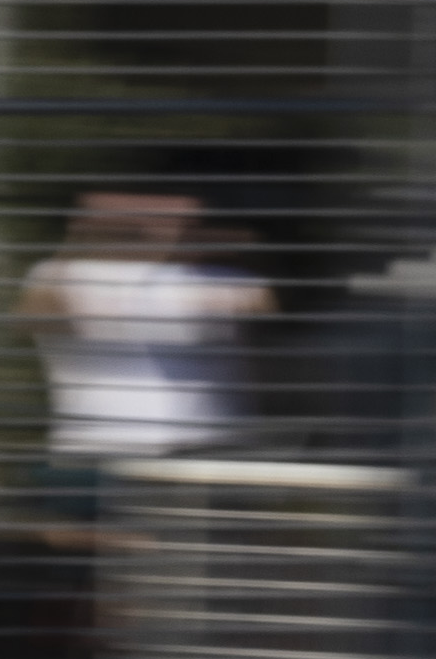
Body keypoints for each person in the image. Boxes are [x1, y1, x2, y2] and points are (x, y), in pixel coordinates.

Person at [21, 192, 267, 503]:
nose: (169, 226)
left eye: (181, 219)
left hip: (200, 455)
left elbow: (257, 303)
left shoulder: (214, 279)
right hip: (100, 454)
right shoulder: (63, 276)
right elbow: (37, 312)